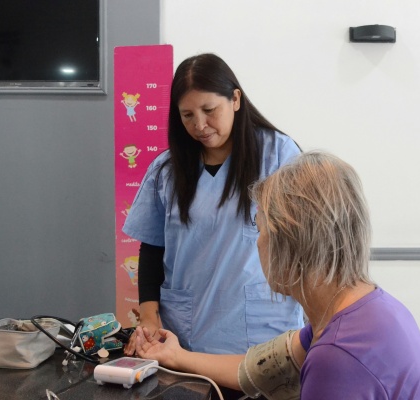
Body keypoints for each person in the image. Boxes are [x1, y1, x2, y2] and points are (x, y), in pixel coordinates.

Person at [134, 151, 420, 400]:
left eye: (260, 227)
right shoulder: (363, 308)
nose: (257, 242)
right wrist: (175, 355)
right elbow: (256, 369)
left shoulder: (337, 358)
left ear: (292, 242)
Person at [122, 53, 304, 356]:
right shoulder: (166, 170)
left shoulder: (278, 156)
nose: (200, 125)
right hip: (185, 336)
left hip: (264, 332)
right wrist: (150, 315)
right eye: (187, 115)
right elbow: (153, 249)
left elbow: (308, 242)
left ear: (235, 99)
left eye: (209, 110)